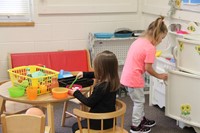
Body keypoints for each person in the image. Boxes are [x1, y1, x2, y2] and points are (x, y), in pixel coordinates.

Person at [120, 16, 168, 133]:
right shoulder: (150, 48)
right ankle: (136, 126)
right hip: (134, 78)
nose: (161, 41)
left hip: (127, 75)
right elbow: (148, 68)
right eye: (162, 38)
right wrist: (160, 76)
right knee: (139, 102)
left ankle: (141, 119)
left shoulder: (139, 41)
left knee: (139, 100)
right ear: (157, 34)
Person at [68, 50, 120, 133]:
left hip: (98, 122)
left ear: (100, 69)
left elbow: (89, 102)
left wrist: (76, 93)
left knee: (75, 126)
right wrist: (84, 74)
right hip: (110, 121)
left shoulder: (101, 87)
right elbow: (97, 74)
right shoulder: (113, 81)